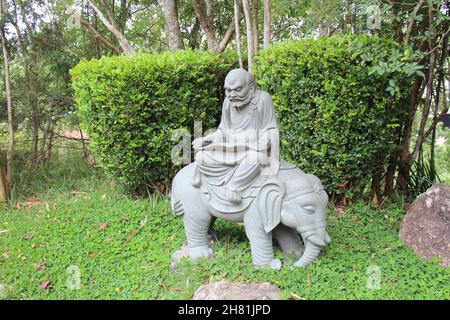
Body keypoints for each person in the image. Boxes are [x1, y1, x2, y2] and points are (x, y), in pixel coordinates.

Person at [192, 69, 280, 204]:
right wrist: (208, 139)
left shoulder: (263, 99)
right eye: (228, 90)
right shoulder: (228, 103)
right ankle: (232, 177)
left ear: (251, 87)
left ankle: (234, 186)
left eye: (237, 89)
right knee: (201, 157)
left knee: (257, 158)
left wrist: (266, 139)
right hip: (231, 150)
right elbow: (223, 130)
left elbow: (271, 128)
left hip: (252, 151)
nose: (232, 95)